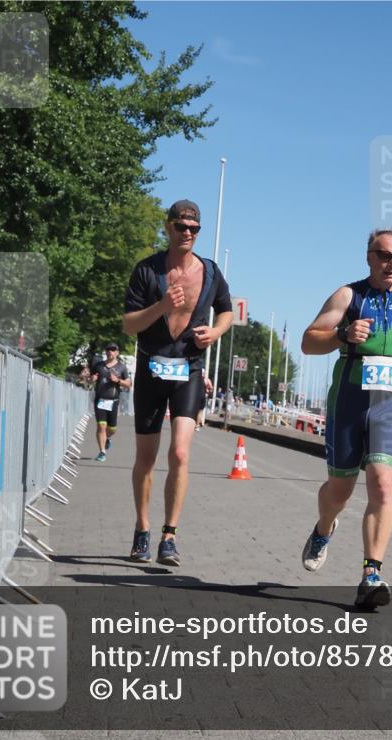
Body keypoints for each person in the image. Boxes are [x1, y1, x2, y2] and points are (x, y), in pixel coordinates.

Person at [299, 228, 392, 608]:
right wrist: (342, 334)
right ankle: (324, 529)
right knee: (339, 492)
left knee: (383, 485)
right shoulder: (348, 295)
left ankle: (371, 575)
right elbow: (308, 341)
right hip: (349, 405)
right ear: (369, 257)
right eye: (385, 256)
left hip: (388, 407)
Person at [121, 199, 234, 566]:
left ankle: (169, 536)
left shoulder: (212, 273)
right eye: (182, 226)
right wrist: (162, 306)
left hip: (189, 368)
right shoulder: (147, 270)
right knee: (146, 458)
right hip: (151, 368)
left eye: (194, 229)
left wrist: (214, 332)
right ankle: (142, 531)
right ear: (168, 227)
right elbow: (129, 325)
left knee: (181, 453)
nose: (188, 233)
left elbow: (227, 311)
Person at [90, 343, 132, 461]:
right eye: (108, 350)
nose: (110, 352)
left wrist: (118, 380)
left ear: (117, 352)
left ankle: (108, 438)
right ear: (105, 352)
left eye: (113, 350)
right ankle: (102, 452)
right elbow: (90, 378)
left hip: (113, 400)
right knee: (101, 426)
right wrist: (91, 379)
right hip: (100, 400)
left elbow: (129, 384)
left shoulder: (122, 367)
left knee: (112, 428)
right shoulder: (98, 365)